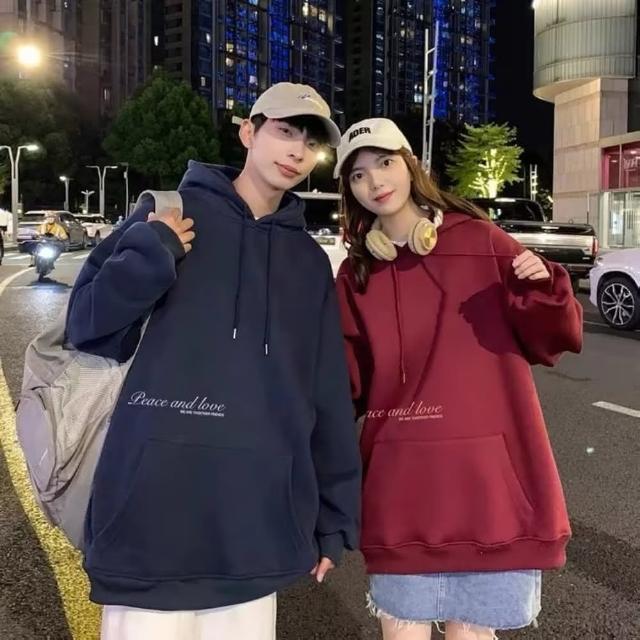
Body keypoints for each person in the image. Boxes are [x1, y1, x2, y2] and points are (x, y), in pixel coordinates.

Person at [65, 83, 361, 640]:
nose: (297, 151)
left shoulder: (306, 260)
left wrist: (335, 515)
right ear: (248, 132)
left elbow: (325, 392)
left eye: (311, 142)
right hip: (150, 514)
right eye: (284, 131)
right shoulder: (170, 215)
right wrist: (153, 253)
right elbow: (87, 326)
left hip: (253, 523)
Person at [333, 118, 583, 640]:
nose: (375, 181)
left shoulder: (480, 239)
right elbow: (342, 383)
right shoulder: (357, 273)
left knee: (471, 635)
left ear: (411, 164)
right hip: (402, 491)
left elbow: (551, 339)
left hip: (487, 492)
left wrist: (544, 287)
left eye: (385, 163)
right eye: (357, 175)